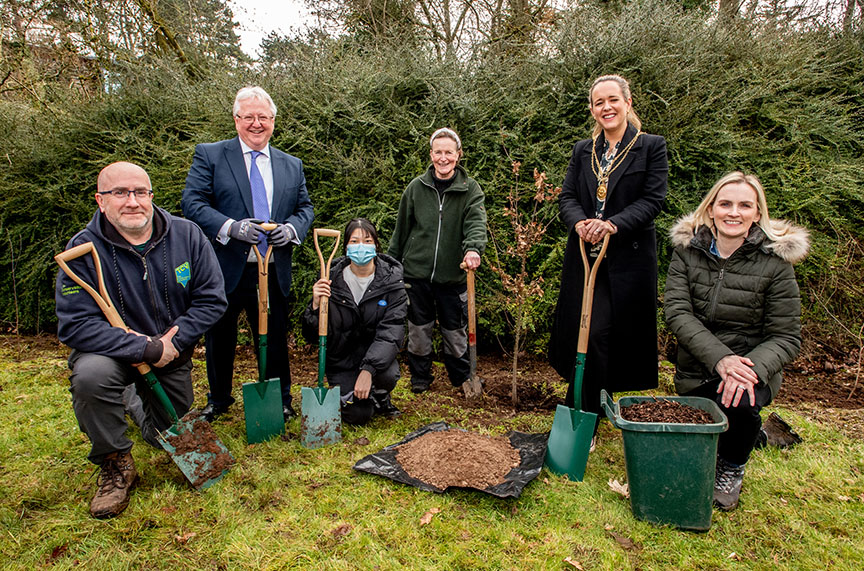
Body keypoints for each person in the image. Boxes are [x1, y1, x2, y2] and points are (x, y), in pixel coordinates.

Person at [55, 162, 227, 519]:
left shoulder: (187, 235)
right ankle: (116, 463)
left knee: (163, 434)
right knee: (91, 378)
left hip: (170, 352)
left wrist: (174, 343)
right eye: (120, 193)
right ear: (101, 201)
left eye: (140, 192)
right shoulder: (82, 251)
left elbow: (212, 299)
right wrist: (144, 348)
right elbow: (75, 326)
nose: (132, 201)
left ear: (151, 196)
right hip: (111, 354)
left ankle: (133, 401)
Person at [665, 171, 808, 511]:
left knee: (737, 403)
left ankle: (731, 468)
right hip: (698, 367)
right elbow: (677, 314)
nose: (734, 212)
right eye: (725, 203)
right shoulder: (687, 253)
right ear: (711, 208)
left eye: (745, 205)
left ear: (758, 213)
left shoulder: (775, 265)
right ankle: (752, 436)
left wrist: (749, 369)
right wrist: (720, 360)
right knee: (700, 423)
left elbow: (786, 336)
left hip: (749, 369)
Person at [182, 86, 314, 422]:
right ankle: (219, 398)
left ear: (273, 121)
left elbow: (304, 208)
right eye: (249, 117)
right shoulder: (211, 155)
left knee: (273, 335)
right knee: (220, 336)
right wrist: (231, 227)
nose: (256, 124)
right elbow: (193, 202)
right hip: (226, 265)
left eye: (263, 118)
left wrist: (293, 229)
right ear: (236, 119)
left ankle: (280, 398)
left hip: (272, 265)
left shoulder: (291, 164)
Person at [548, 74, 669, 437]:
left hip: (626, 259)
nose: (606, 107)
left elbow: (653, 200)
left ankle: (585, 416)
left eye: (613, 100)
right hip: (586, 255)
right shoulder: (583, 150)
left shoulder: (650, 147)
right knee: (587, 332)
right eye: (599, 102)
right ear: (592, 109)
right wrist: (580, 224)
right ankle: (587, 412)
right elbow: (567, 196)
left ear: (628, 103)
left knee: (602, 334)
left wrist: (613, 224)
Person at [387, 128, 487, 397]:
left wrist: (473, 250)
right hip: (416, 274)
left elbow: (476, 224)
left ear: (458, 155)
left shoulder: (470, 189)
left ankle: (461, 377)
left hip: (453, 276)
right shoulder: (416, 188)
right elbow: (402, 230)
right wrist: (391, 264)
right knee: (419, 330)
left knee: (455, 331)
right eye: (438, 152)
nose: (443, 158)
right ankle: (420, 376)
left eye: (449, 153)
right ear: (431, 155)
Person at [302, 218, 407, 424]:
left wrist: (368, 370)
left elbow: (391, 333)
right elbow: (311, 336)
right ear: (346, 247)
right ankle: (366, 400)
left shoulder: (392, 284)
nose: (361, 247)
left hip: (375, 362)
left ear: (376, 245)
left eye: (367, 241)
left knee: (388, 374)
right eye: (354, 241)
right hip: (342, 363)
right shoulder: (330, 281)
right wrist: (315, 306)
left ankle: (379, 394)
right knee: (358, 415)